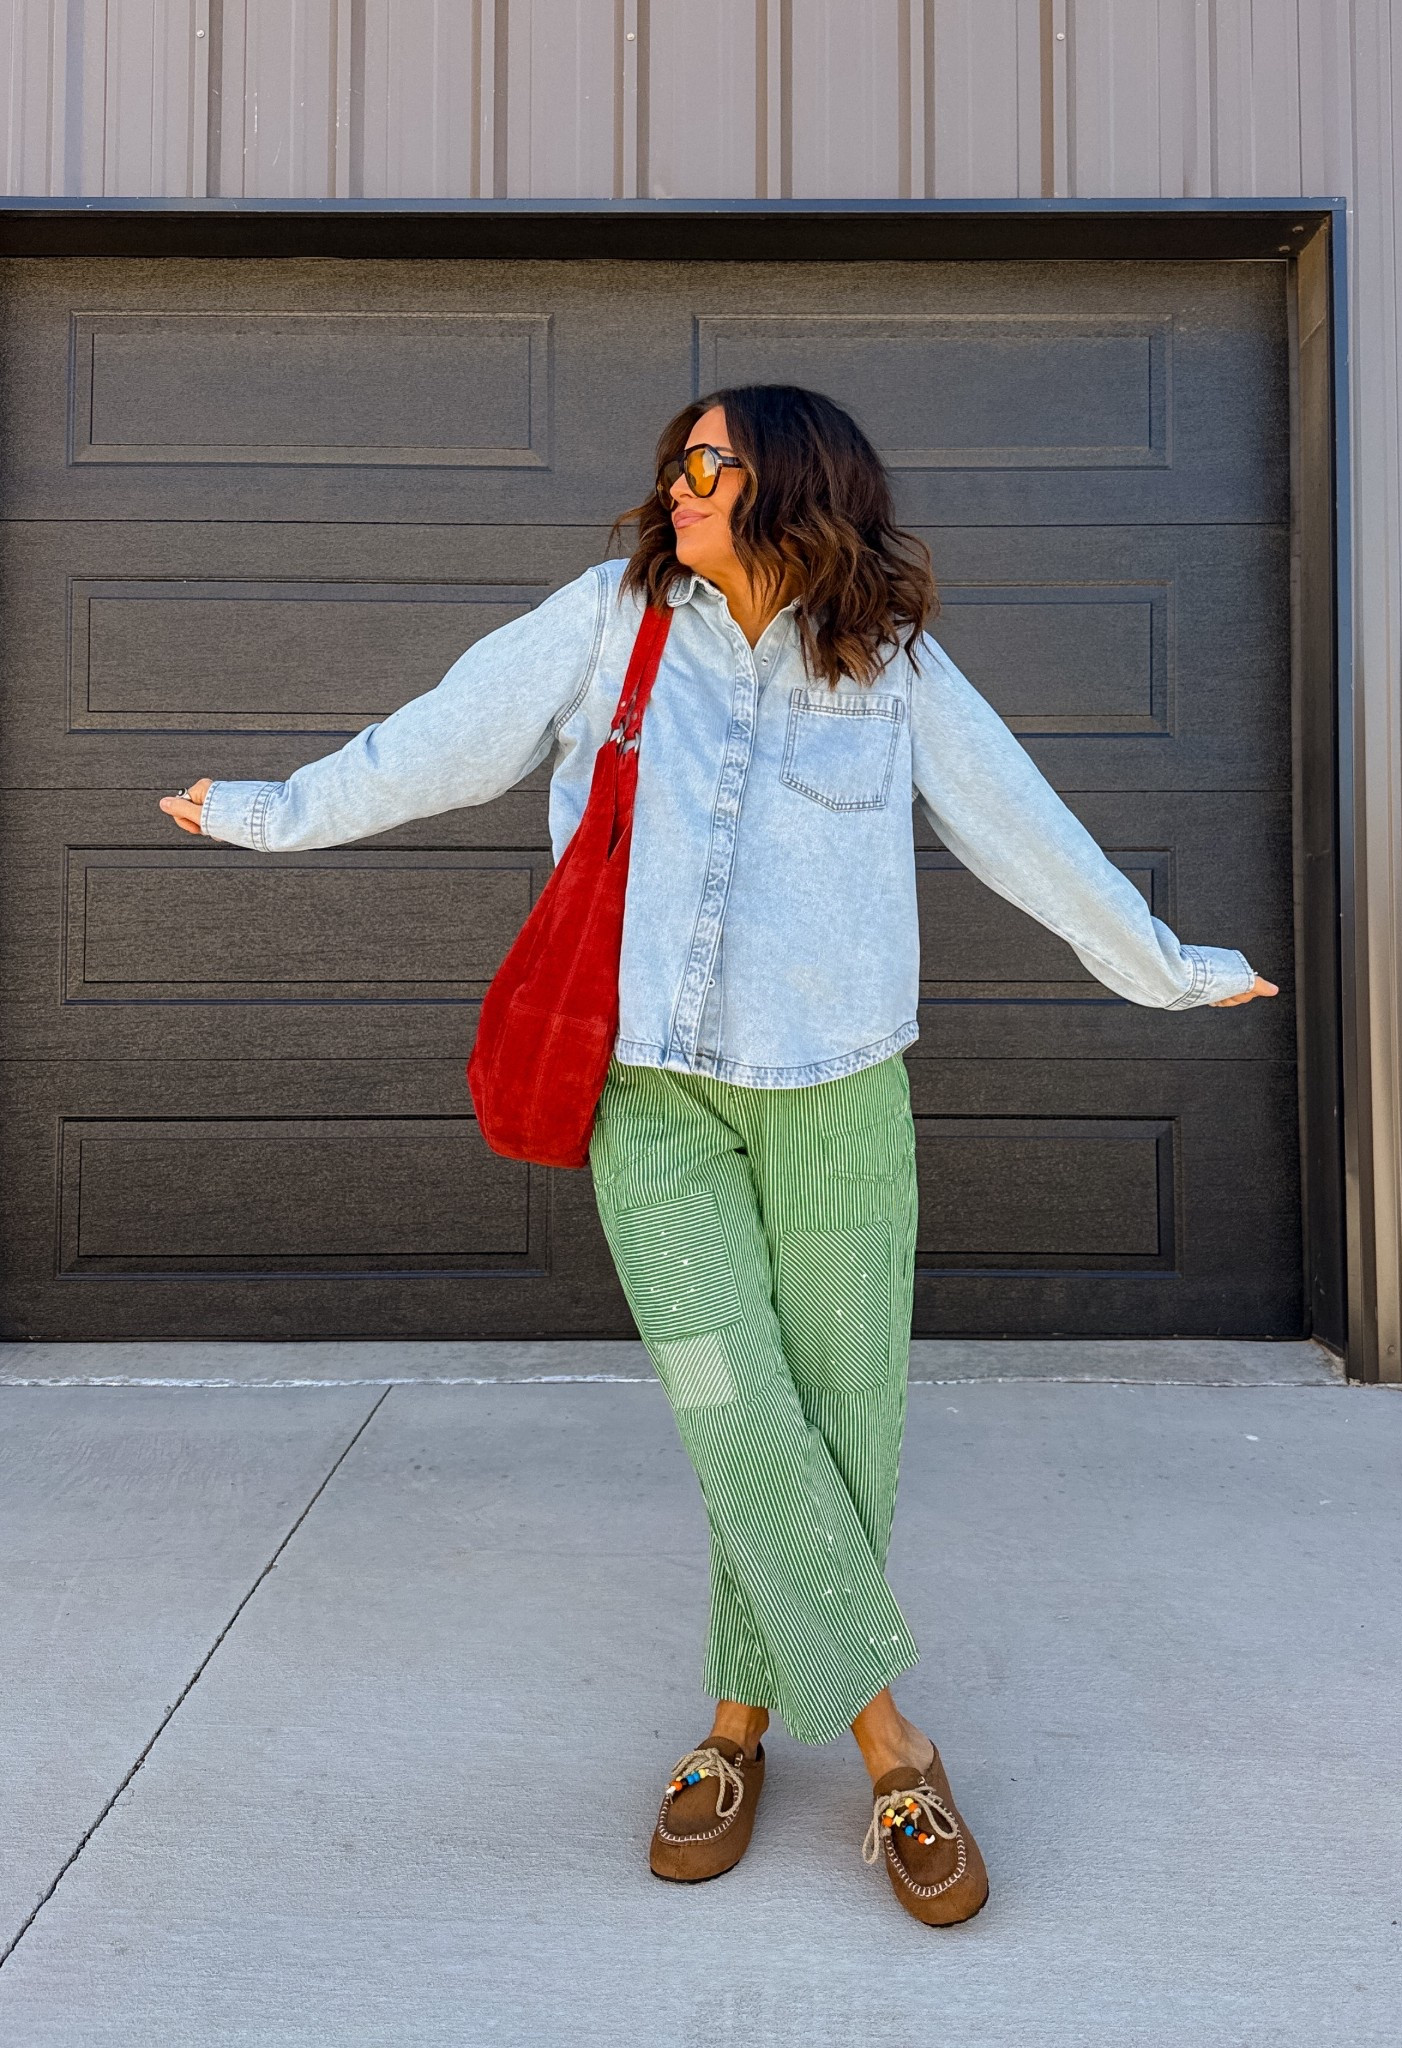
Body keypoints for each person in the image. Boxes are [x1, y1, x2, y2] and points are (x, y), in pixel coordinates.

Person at [161, 384, 1276, 1927]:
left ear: (791, 484)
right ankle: (895, 1745)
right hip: (652, 1097)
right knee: (734, 1408)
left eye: (707, 461)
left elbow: (1022, 827)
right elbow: (438, 741)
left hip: (840, 1096)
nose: (674, 486)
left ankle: (737, 1729)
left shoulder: (884, 660)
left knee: (845, 1425)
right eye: (675, 463)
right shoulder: (607, 621)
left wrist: (1161, 960)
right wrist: (273, 812)